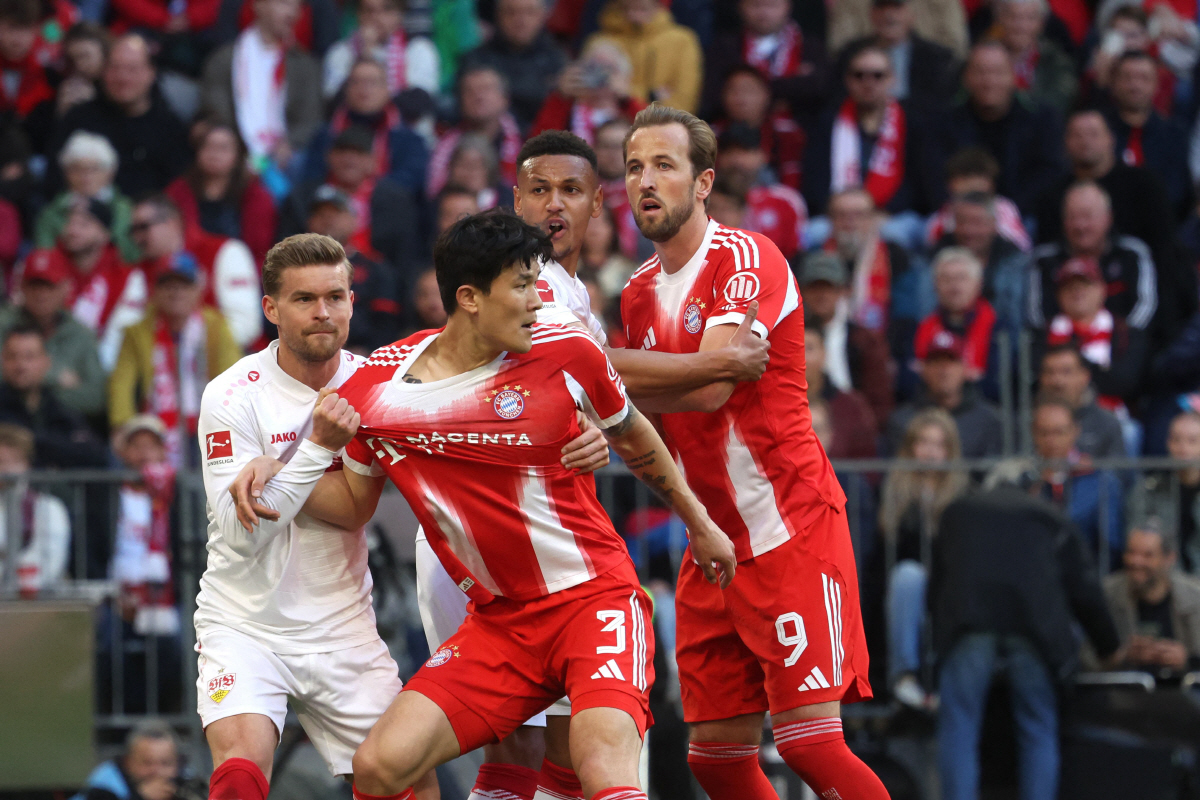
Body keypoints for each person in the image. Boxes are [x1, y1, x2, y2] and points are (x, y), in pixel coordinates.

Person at [246, 212, 737, 800]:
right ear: (470, 298)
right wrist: (272, 468)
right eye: (523, 286)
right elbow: (351, 504)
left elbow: (630, 431)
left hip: (594, 601)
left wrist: (701, 523)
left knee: (601, 767)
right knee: (379, 767)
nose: (538, 301)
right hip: (502, 626)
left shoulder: (569, 349)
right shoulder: (375, 390)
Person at [619, 104, 887, 800]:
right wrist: (612, 390)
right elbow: (654, 404)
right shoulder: (636, 295)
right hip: (711, 540)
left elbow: (709, 393)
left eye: (664, 165)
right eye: (633, 167)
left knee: (811, 747)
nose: (645, 181)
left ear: (704, 181)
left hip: (789, 524)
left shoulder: (745, 256)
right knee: (715, 758)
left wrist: (593, 371)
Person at [184, 234, 446, 799]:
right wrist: (317, 450)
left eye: (335, 296)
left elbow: (355, 510)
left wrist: (275, 465)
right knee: (239, 770)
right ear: (271, 309)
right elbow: (239, 532)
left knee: (410, 783)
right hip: (244, 622)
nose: (322, 312)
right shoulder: (231, 394)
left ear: (353, 301)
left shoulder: (375, 384)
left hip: (342, 626)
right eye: (304, 299)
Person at [929, 478, 1119, 800]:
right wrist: (1109, 646)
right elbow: (1083, 587)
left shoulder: (959, 512)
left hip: (969, 622)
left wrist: (937, 638)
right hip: (1034, 628)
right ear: (1032, 488)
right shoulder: (1049, 515)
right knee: (1038, 728)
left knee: (959, 727)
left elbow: (937, 582)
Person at [107, 256, 242, 467]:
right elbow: (121, 382)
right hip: (156, 429)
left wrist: (231, 422)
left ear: (198, 289)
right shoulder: (137, 332)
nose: (176, 292)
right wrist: (122, 425)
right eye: (167, 285)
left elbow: (234, 377)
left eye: (184, 285)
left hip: (212, 423)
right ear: (154, 291)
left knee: (220, 477)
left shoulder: (216, 325)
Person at [878, 409, 967, 708]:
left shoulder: (965, 494)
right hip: (907, 586)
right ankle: (904, 676)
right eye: (923, 442)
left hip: (952, 581)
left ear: (950, 451)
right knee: (908, 576)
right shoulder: (892, 491)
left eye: (939, 445)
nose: (930, 452)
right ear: (910, 447)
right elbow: (888, 552)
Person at [47, 34, 190, 198]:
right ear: (103, 72)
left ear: (151, 73)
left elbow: (177, 194)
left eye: (132, 69)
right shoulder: (77, 120)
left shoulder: (171, 129)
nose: (123, 77)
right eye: (114, 68)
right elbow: (55, 182)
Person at [804, 42, 936, 217]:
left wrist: (885, 213)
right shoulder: (827, 123)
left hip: (892, 217)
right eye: (859, 75)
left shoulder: (913, 123)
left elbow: (919, 182)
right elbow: (815, 180)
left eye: (878, 75)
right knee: (813, 233)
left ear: (892, 79)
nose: (868, 83)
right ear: (848, 81)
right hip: (837, 217)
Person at [943, 40, 1066, 216]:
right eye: (980, 72)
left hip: (1024, 215)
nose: (989, 81)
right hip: (957, 214)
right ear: (966, 77)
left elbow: (1049, 174)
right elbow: (936, 177)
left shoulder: (1042, 118)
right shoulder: (945, 121)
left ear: (1013, 77)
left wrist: (1007, 212)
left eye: (997, 73)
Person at [199, 0, 322, 175]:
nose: (293, 13)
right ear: (259, 5)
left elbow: (309, 119)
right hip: (237, 150)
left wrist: (289, 143)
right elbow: (217, 111)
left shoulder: (305, 65)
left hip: (285, 158)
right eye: (285, 4)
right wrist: (241, 148)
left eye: (298, 7)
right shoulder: (224, 60)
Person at [283, 127, 424, 275]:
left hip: (375, 286)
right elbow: (286, 250)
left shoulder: (396, 202)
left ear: (374, 161)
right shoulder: (301, 197)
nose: (349, 159)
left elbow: (404, 259)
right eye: (342, 152)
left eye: (358, 153)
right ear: (328, 157)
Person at [130, 195, 262, 350]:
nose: (138, 238)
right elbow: (129, 328)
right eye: (133, 230)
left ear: (171, 223)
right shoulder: (139, 271)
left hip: (232, 361)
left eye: (144, 227)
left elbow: (245, 325)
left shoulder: (225, 251)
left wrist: (189, 353)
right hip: (162, 364)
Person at [1029, 181, 1158, 336]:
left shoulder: (1132, 254)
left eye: (1087, 216)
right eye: (1073, 217)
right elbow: (1036, 318)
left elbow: (1144, 309)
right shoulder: (1044, 260)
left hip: (1121, 351)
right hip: (1058, 352)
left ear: (1108, 218)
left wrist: (1117, 345)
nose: (1080, 226)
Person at [33, 201, 148, 373]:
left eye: (84, 224)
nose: (73, 231)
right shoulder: (45, 270)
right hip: (46, 369)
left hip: (103, 374)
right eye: (70, 222)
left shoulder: (129, 278)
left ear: (105, 234)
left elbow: (120, 339)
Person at [0, 246, 106, 419]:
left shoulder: (81, 334)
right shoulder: (3, 323)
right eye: (34, 285)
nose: (41, 294)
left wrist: (33, 391)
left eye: (49, 285)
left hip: (61, 428)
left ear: (66, 287)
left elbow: (96, 398)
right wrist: (54, 375)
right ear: (22, 287)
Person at [820, 187, 922, 364]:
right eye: (841, 215)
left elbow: (903, 314)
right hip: (825, 349)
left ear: (873, 219)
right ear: (831, 220)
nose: (849, 222)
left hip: (880, 349)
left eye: (858, 215)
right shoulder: (816, 259)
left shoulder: (895, 256)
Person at [302, 58, 430, 194]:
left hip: (386, 207)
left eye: (372, 82)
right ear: (346, 89)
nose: (364, 89)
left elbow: (410, 181)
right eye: (356, 82)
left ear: (387, 90)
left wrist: (365, 190)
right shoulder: (325, 135)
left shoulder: (409, 140)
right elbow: (312, 179)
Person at [1042, 255, 1149, 411]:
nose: (1077, 291)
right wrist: (1100, 373)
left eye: (1085, 284)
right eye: (1069, 286)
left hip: (1113, 415)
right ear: (1058, 294)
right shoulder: (1040, 334)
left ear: (1102, 289)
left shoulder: (1126, 333)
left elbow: (1126, 383)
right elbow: (1034, 380)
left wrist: (1069, 370)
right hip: (1052, 415)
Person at [304, 185, 403, 354]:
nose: (328, 220)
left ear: (354, 220)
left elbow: (387, 323)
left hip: (364, 359)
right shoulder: (295, 268)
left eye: (335, 213)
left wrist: (368, 351)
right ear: (309, 222)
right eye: (321, 214)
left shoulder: (376, 268)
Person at [165, 121, 278, 268]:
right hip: (186, 268)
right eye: (208, 147)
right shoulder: (178, 191)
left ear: (238, 155)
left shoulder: (256, 196)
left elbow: (260, 251)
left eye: (223, 148)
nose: (214, 154)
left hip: (241, 269)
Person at [1027, 399, 1125, 563]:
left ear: (1075, 431)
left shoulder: (1100, 481)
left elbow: (1111, 544)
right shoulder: (1022, 479)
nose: (1051, 441)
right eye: (1044, 433)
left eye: (1059, 432)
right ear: (1033, 433)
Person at [701, 0, 830, 119]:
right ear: (740, 7)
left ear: (788, 6)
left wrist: (754, 90)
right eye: (755, 5)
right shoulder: (724, 47)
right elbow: (714, 95)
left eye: (772, 5)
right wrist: (791, 84)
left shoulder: (810, 46)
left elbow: (819, 90)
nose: (763, 13)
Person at [0, 325, 107, 468]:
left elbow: (93, 453)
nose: (21, 366)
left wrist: (32, 439)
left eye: (29, 357)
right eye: (12, 357)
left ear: (46, 361)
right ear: (3, 362)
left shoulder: (60, 408)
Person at [887, 330, 1004, 458]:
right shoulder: (903, 420)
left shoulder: (988, 420)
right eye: (936, 362)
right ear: (924, 370)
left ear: (965, 369)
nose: (943, 370)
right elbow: (897, 474)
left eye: (951, 361)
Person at [931, 193, 1028, 344]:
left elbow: (1017, 322)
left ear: (994, 224)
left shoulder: (1016, 262)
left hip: (1002, 346)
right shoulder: (932, 259)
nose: (969, 231)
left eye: (977, 222)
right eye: (962, 222)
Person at [1105, 51, 1191, 221]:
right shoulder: (1098, 130)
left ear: (1156, 85)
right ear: (1114, 84)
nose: (1135, 86)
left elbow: (1178, 192)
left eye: (1144, 78)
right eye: (1127, 78)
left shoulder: (1174, 135)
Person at [1104, 520, 1200, 672]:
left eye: (1147, 555)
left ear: (1169, 558)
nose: (1136, 561)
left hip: (1184, 691)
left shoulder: (1195, 596)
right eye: (1131, 552)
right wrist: (1123, 656)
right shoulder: (1108, 594)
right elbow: (1085, 658)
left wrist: (1187, 660)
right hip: (1126, 691)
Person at [460, 0, 567, 131]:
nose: (520, 20)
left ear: (543, 15)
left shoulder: (558, 59)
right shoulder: (476, 59)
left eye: (530, 12)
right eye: (511, 12)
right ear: (498, 15)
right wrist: (546, 90)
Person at [836, 0, 958, 113]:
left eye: (897, 7)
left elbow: (939, 107)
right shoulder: (851, 54)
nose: (888, 14)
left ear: (911, 14)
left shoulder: (936, 58)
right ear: (871, 14)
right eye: (881, 8)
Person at [583, 0, 702, 113]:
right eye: (625, 8)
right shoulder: (599, 41)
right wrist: (652, 95)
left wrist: (628, 92)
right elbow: (587, 97)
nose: (633, 16)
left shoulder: (682, 41)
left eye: (642, 9)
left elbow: (683, 107)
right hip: (606, 127)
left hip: (660, 129)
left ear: (658, 5)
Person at [35, 131, 138, 262]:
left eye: (94, 169)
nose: (86, 176)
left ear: (110, 172)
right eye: (77, 169)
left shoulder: (127, 210)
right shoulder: (51, 213)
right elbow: (46, 255)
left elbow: (134, 253)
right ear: (65, 173)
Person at [911, 248, 1000, 393]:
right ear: (935, 285)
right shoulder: (918, 328)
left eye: (962, 278)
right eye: (946, 279)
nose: (954, 287)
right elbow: (908, 380)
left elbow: (999, 383)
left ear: (978, 284)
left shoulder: (998, 329)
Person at [427, 66, 522, 198]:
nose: (478, 96)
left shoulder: (526, 140)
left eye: (486, 89)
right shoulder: (445, 145)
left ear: (505, 99)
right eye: (469, 91)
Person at [528, 40, 644, 146]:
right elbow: (539, 146)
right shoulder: (566, 107)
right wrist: (560, 97)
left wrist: (628, 100)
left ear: (623, 76)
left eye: (608, 69)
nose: (599, 76)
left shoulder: (628, 109)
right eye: (592, 68)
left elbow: (654, 137)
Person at [0, 422, 70, 595]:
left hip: (34, 602)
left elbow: (50, 565)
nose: (3, 469)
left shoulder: (48, 508)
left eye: (8, 462)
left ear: (26, 464)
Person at [323, 0, 439, 100]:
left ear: (400, 14)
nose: (376, 17)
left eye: (386, 9)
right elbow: (335, 103)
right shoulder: (340, 52)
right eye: (369, 10)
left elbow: (418, 104)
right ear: (358, 15)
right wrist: (366, 55)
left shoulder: (419, 49)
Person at [1130, 411, 1200, 573]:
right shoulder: (1149, 488)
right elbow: (1136, 538)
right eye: (1176, 439)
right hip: (1163, 578)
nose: (1183, 448)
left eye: (1192, 441)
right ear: (1168, 443)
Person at [925, 146, 1030, 252]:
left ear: (991, 184)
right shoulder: (944, 213)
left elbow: (1020, 248)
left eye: (977, 177)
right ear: (950, 184)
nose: (971, 185)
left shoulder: (1003, 208)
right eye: (964, 177)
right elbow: (933, 251)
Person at [1037, 343, 1127, 459]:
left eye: (1066, 372)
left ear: (1085, 376)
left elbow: (1119, 473)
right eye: (1050, 372)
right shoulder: (1022, 421)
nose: (1057, 381)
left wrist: (1092, 470)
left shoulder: (1107, 423)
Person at [992, 0, 1076, 114]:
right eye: (1013, 17)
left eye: (1029, 18)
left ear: (1041, 23)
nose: (1020, 26)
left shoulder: (1057, 62)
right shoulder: (983, 57)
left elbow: (1057, 104)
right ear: (999, 19)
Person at [804, 326, 876, 459]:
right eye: (793, 348)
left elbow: (866, 463)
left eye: (809, 348)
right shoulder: (771, 405)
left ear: (824, 353)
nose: (801, 356)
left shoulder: (852, 406)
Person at [77, 720, 189, 800]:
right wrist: (139, 797)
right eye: (147, 763)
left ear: (178, 763)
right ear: (128, 762)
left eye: (166, 764)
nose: (156, 771)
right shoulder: (104, 785)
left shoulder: (188, 782)